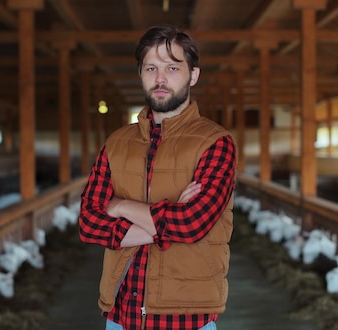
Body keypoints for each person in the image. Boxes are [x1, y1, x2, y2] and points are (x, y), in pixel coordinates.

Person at [78, 25, 237, 330]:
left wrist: (120, 205)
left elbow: (193, 224)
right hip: (120, 314)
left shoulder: (215, 142)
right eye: (151, 67)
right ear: (140, 73)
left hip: (187, 317)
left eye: (172, 68)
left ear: (193, 75)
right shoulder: (116, 143)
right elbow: (88, 223)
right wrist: (171, 218)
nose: (160, 78)